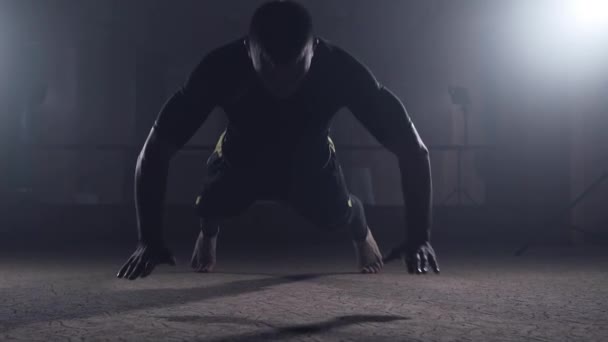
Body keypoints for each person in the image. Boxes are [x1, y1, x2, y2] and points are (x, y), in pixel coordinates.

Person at [117, 0, 439, 280]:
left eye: (296, 67)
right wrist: (149, 239)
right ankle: (208, 231)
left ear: (313, 48)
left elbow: (414, 151)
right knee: (211, 204)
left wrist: (418, 236)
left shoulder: (341, 69)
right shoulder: (220, 67)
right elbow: (154, 154)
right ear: (249, 49)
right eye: (270, 69)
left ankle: (360, 227)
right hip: (240, 157)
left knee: (337, 215)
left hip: (311, 164)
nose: (283, 82)